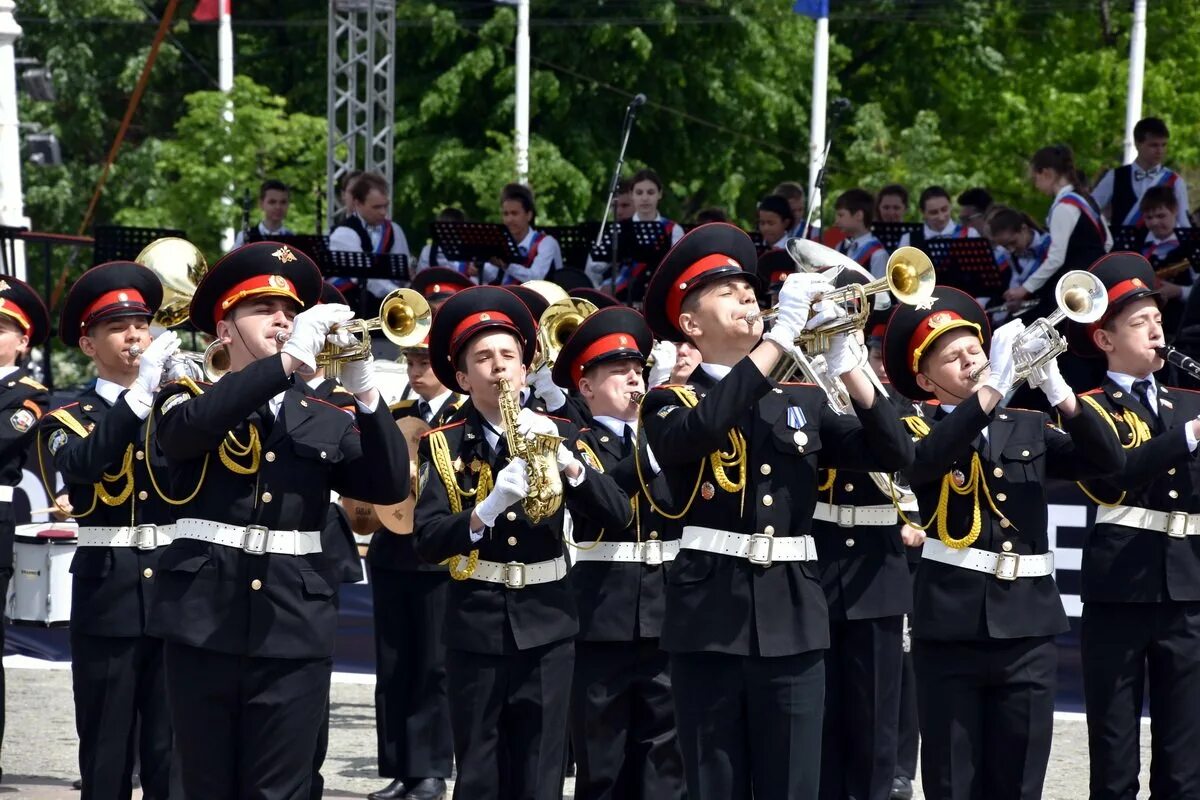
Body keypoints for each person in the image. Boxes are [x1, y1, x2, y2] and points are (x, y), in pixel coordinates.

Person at [639, 222, 915, 799]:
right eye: (725, 292)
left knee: (794, 785)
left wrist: (850, 366)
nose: (746, 296)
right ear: (690, 325)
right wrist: (783, 336)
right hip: (709, 621)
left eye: (748, 288)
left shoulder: (803, 399)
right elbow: (703, 429)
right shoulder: (669, 400)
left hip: (793, 615)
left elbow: (895, 453)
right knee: (716, 786)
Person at [148, 241, 410, 798]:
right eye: (263, 310)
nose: (283, 320)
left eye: (290, 313)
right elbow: (184, 434)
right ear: (224, 328)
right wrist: (287, 364)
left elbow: (386, 485)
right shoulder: (184, 391)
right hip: (204, 619)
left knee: (284, 788)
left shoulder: (324, 409)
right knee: (203, 784)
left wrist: (366, 393)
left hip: (293, 624)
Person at [881, 287, 1123, 800]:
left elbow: (1108, 465)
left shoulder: (1028, 425)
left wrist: (1058, 391)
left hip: (1028, 625)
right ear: (925, 380)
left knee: (1019, 782)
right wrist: (994, 386)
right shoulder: (915, 426)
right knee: (953, 779)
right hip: (950, 627)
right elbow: (923, 463)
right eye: (954, 358)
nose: (970, 362)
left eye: (975, 350)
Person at [412, 286, 631, 800]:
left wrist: (572, 467)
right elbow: (426, 540)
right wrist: (483, 512)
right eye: (483, 358)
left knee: (541, 772)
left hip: (549, 618)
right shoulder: (444, 442)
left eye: (508, 356)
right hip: (476, 622)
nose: (498, 368)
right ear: (463, 378)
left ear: (526, 367)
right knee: (480, 771)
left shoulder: (560, 429)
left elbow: (617, 514)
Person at [1065, 253, 1200, 800]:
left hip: (1188, 591)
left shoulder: (1186, 402)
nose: (1156, 331)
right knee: (1115, 756)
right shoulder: (1089, 408)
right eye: (1140, 323)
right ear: (1104, 339)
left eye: (1159, 320)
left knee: (1186, 759)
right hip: (1120, 590)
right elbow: (1114, 477)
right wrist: (1188, 437)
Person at [39, 262, 175, 800]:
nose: (136, 336)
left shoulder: (177, 408)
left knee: (173, 754)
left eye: (142, 324)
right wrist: (139, 398)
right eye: (119, 327)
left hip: (173, 593)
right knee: (106, 749)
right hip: (108, 595)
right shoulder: (65, 418)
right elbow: (85, 466)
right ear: (88, 345)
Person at [549, 305, 685, 799]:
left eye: (638, 371)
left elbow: (677, 505)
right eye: (618, 373)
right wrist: (651, 450)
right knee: (602, 754)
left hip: (668, 608)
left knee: (667, 758)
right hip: (602, 611)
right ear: (586, 387)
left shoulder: (671, 439)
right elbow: (606, 507)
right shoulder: (575, 444)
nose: (634, 380)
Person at [807, 272, 914, 800]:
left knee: (876, 729)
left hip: (876, 571)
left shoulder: (897, 406)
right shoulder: (803, 394)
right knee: (818, 726)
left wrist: (851, 376)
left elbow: (899, 454)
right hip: (816, 567)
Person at [366, 268, 470, 800]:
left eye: (424, 361)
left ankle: (431, 769)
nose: (415, 369)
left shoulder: (465, 416)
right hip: (391, 550)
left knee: (432, 663)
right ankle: (402, 767)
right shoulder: (397, 412)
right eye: (409, 360)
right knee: (395, 662)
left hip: (438, 554)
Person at [1004, 145, 1112, 321]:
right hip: (1095, 282)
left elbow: (1056, 258)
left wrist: (1025, 289)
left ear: (1046, 173)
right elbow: (1107, 242)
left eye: (1035, 178)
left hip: (1074, 287)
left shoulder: (1064, 206)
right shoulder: (1086, 199)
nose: (1036, 185)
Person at [329, 171, 413, 304]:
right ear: (358, 204)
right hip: (351, 304)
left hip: (386, 301)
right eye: (377, 207)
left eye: (385, 206)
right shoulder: (344, 233)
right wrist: (401, 296)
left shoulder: (394, 230)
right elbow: (364, 276)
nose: (383, 212)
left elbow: (403, 273)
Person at [1092, 117, 1191, 229]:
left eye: (1163, 145)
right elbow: (1090, 210)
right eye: (1154, 145)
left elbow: (1184, 224)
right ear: (1137, 144)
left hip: (1160, 247)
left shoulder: (1175, 181)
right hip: (1122, 246)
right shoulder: (1115, 176)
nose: (1160, 151)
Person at [478, 183, 563, 287]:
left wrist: (507, 266)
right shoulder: (504, 243)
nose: (509, 220)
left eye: (514, 213)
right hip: (505, 299)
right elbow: (491, 275)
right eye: (506, 214)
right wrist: (478, 270)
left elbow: (536, 278)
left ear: (529, 215)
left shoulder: (547, 242)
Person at [897, 186, 980, 249]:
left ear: (950, 206)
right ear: (923, 213)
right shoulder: (908, 239)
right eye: (934, 212)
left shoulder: (970, 234)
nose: (941, 217)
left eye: (944, 210)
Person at [834, 188, 889, 279]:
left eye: (841, 215)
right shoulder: (840, 247)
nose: (836, 221)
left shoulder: (878, 254)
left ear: (859, 215)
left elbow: (881, 292)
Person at [234, 179, 294, 248]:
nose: (278, 207)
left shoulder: (293, 239)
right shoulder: (244, 237)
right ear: (261, 204)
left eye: (283, 202)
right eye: (272, 202)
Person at [416, 207, 474, 276]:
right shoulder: (428, 251)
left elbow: (489, 276)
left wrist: (477, 271)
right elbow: (421, 279)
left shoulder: (472, 252)